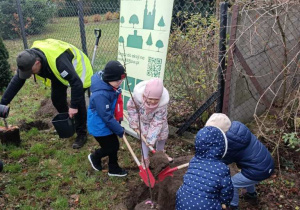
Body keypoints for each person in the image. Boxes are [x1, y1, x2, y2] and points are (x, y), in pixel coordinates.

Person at [0, 39, 93, 149]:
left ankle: (81, 134)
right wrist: (2, 103)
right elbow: (16, 83)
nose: (29, 75)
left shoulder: (58, 61)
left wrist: (73, 106)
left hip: (80, 73)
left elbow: (76, 83)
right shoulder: (29, 59)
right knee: (57, 99)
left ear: (37, 63)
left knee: (78, 103)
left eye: (30, 72)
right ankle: (69, 124)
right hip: (58, 74)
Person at [205, 113, 275, 210]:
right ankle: (251, 195)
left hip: (259, 170)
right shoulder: (237, 127)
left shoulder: (230, 143)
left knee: (232, 183)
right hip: (266, 163)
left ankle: (233, 206)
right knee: (248, 174)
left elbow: (224, 160)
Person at [176, 126, 234, 210]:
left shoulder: (193, 161)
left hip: (182, 202)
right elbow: (227, 191)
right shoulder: (222, 169)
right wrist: (225, 202)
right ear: (221, 147)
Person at [87, 60, 127, 177]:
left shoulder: (109, 86)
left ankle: (113, 168)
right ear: (109, 79)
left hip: (107, 124)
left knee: (113, 145)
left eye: (121, 80)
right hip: (99, 126)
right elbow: (106, 116)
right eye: (118, 80)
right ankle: (95, 156)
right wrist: (119, 129)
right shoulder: (100, 95)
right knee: (111, 147)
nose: (120, 82)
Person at [126, 78, 172, 169]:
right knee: (145, 140)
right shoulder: (136, 98)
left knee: (162, 137)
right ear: (145, 95)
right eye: (150, 99)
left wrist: (151, 138)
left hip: (159, 124)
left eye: (156, 99)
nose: (153, 101)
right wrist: (134, 122)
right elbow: (131, 109)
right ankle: (145, 158)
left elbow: (157, 122)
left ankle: (160, 154)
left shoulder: (162, 106)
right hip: (144, 122)